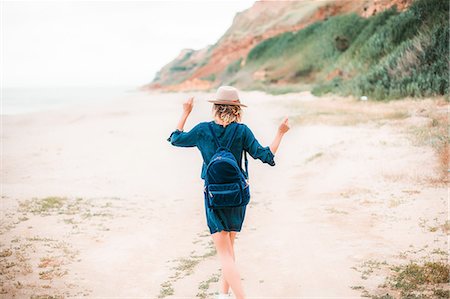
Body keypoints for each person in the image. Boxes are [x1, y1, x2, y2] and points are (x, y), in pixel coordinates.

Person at [167, 86, 289, 299]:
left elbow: (176, 138)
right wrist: (280, 133)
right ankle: (223, 295)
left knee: (224, 253)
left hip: (213, 196)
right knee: (229, 249)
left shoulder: (203, 130)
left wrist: (186, 111)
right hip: (237, 196)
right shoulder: (242, 131)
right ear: (237, 110)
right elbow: (265, 156)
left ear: (215, 108)